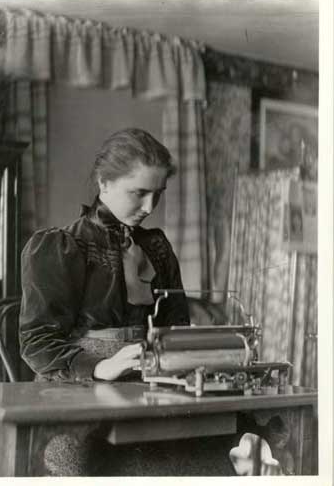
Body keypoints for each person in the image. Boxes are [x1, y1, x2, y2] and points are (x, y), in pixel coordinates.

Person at [19, 128, 236, 477]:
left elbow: (174, 328)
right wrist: (98, 367)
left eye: (158, 194)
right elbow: (36, 342)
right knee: (100, 464)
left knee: (210, 456)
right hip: (75, 397)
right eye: (139, 193)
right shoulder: (59, 247)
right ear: (104, 183)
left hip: (149, 390)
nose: (149, 207)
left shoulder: (157, 248)